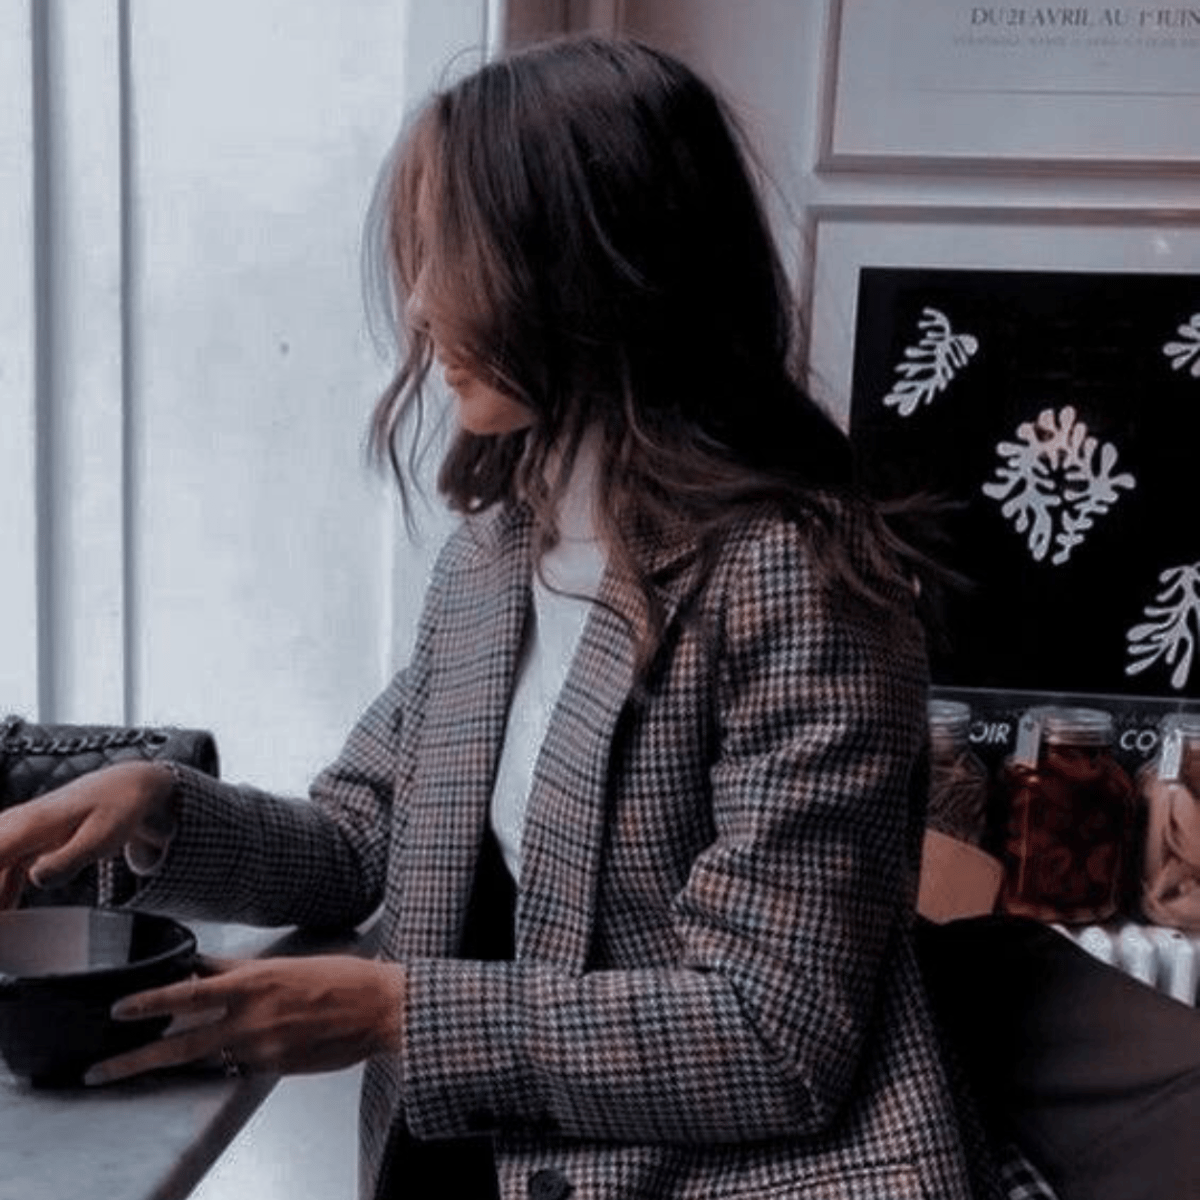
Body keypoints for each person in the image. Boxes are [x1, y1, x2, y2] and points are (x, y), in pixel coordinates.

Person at [0, 35, 1039, 1200]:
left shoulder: (798, 579)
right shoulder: (496, 558)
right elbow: (365, 839)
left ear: (596, 265)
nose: (423, 306)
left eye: (459, 255)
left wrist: (399, 1013)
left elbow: (775, 1033)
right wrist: (156, 806)